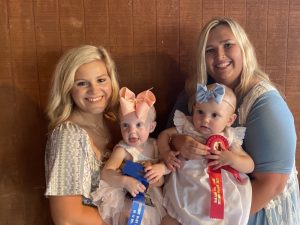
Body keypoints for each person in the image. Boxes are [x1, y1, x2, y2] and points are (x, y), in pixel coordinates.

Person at [163, 17, 300, 225]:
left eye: (228, 45)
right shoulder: (196, 92)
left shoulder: (267, 105)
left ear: (243, 48)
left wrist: (217, 221)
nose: (219, 56)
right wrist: (180, 142)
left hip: (248, 208)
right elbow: (168, 138)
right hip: (194, 201)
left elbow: (272, 185)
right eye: (209, 50)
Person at [44, 45, 121, 225]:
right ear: (67, 88)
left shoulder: (115, 123)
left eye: (101, 80)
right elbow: (68, 218)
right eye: (82, 83)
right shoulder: (68, 136)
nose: (94, 90)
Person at [158, 82, 254, 225]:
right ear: (194, 109)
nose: (205, 119)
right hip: (187, 184)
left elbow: (250, 165)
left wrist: (232, 159)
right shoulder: (187, 126)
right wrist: (166, 152)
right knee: (171, 218)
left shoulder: (229, 137)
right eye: (200, 112)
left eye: (215, 115)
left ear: (230, 120)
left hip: (219, 190)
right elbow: (164, 135)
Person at [92, 87, 168, 225]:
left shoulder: (156, 146)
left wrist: (156, 172)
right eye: (125, 125)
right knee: (129, 215)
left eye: (139, 125)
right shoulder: (123, 150)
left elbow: (162, 179)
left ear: (151, 127)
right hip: (126, 194)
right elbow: (106, 173)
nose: (132, 131)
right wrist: (125, 181)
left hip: (151, 197)